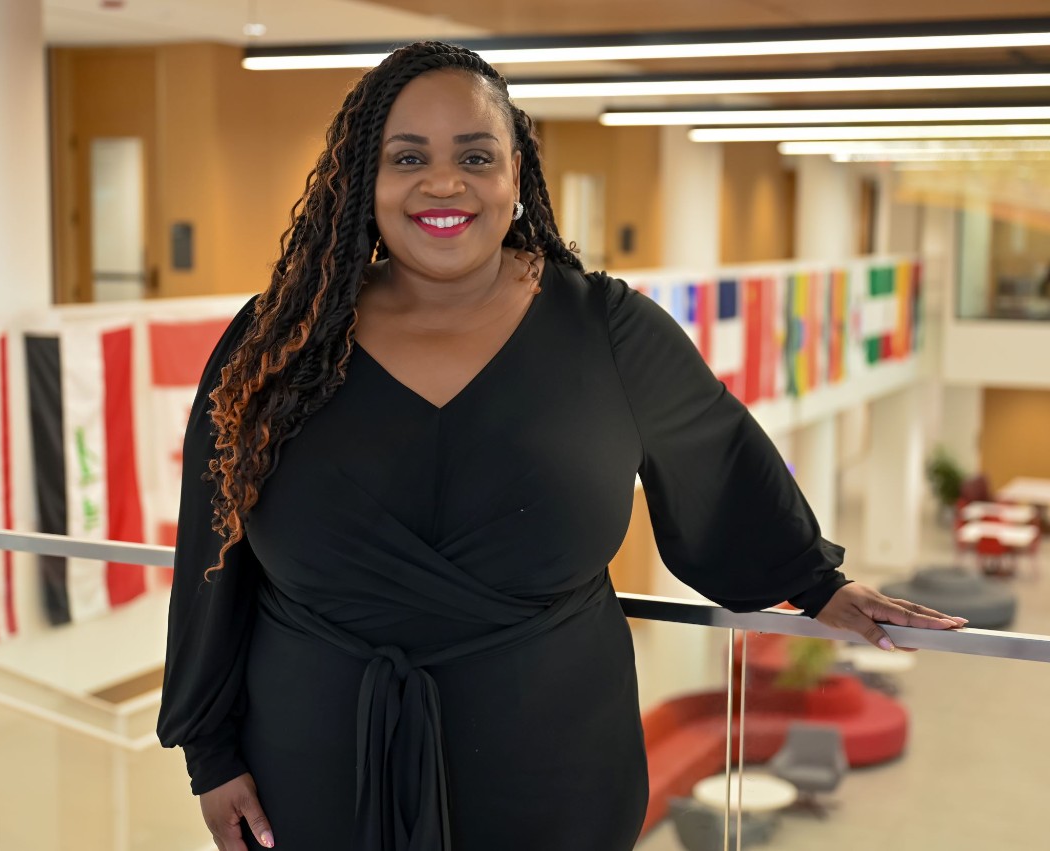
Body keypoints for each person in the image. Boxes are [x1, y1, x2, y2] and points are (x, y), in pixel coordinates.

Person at [156, 41, 966, 851]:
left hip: (551, 769)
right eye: (409, 158)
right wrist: (211, 753)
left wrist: (817, 583)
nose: (445, 184)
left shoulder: (607, 331)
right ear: (365, 179)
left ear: (517, 177)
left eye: (476, 155)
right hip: (315, 772)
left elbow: (719, 464)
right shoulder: (277, 343)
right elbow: (214, 553)